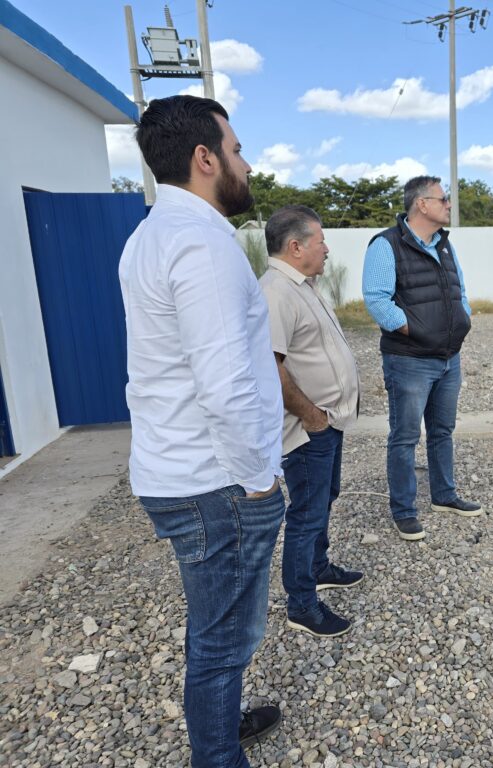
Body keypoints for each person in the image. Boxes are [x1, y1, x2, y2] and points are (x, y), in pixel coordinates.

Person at [119, 95, 284, 766]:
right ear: (205, 158)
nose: (247, 163)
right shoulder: (201, 243)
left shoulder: (151, 234)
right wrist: (259, 480)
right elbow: (224, 383)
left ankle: (218, 726)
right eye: (238, 150)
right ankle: (216, 755)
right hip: (215, 483)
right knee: (223, 640)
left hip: (182, 472)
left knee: (215, 630)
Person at [260, 205, 363, 638]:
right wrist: (311, 417)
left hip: (327, 422)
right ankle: (302, 604)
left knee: (324, 500)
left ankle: (318, 568)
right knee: (305, 514)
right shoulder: (276, 292)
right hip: (306, 429)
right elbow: (269, 366)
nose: (327, 248)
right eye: (320, 241)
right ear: (296, 246)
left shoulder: (303, 284)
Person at [362, 176, 480, 541]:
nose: (448, 205)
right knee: (405, 436)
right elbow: (377, 299)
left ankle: (444, 495)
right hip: (410, 359)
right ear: (422, 205)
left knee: (442, 431)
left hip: (449, 357)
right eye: (443, 199)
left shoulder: (444, 244)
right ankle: (405, 510)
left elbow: (458, 288)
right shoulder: (386, 244)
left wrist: (464, 317)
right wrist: (415, 329)